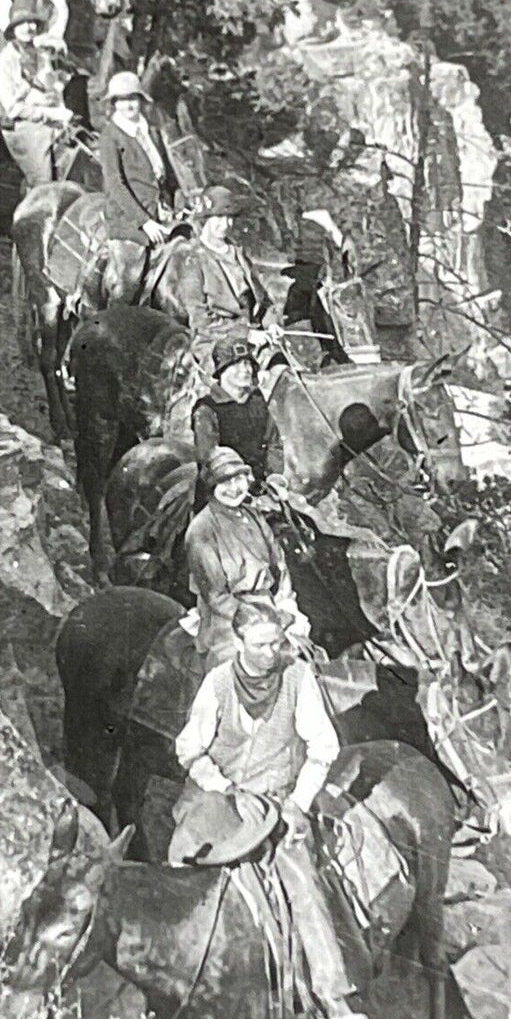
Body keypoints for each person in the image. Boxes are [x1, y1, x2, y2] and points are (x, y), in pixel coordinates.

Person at [169, 598, 367, 1019]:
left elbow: (324, 748)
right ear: (237, 642)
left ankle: (330, 991)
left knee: (301, 879)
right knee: (184, 867)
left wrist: (298, 801)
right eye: (259, 645)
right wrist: (222, 788)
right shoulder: (218, 683)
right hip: (220, 795)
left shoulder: (297, 677)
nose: (269, 653)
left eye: (276, 643)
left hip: (276, 799)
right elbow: (188, 749)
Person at [183, 446, 310, 668]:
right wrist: (258, 620)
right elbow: (216, 596)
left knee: (308, 658)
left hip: (270, 609)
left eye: (238, 479)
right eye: (224, 482)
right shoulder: (201, 529)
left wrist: (286, 605)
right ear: (212, 487)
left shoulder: (254, 516)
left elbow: (279, 566)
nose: (233, 489)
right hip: (228, 619)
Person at [96, 70, 190, 280]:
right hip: (129, 219)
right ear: (114, 103)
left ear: (141, 100)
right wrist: (144, 222)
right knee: (129, 282)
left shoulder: (152, 132)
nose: (128, 106)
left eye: (133, 99)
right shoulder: (110, 137)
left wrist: (180, 202)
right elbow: (115, 185)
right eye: (121, 100)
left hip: (161, 211)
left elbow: (170, 176)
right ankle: (118, 312)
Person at [178, 184, 276, 379]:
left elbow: (263, 301)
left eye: (230, 218)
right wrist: (244, 334)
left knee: (283, 374)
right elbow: (200, 319)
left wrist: (272, 324)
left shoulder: (238, 253)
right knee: (241, 379)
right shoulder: (193, 259)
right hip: (217, 343)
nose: (226, 224)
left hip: (254, 338)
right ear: (206, 218)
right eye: (219, 217)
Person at [0, 0, 77, 186]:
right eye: (22, 23)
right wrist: (49, 113)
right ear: (13, 29)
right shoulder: (4, 62)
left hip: (54, 121)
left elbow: (53, 90)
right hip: (23, 126)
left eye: (32, 22)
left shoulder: (42, 53)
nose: (29, 27)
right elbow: (13, 109)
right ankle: (38, 209)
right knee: (43, 178)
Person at [192, 337, 276, 508]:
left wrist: (274, 479)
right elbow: (209, 460)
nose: (245, 370)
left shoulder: (257, 400)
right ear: (222, 370)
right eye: (236, 364)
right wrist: (244, 489)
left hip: (262, 489)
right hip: (226, 490)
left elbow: (274, 443)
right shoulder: (207, 410)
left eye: (247, 364)